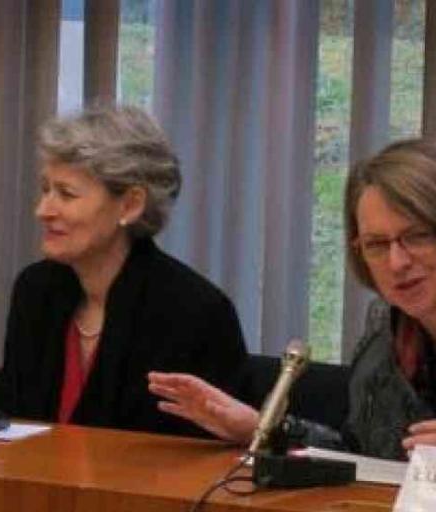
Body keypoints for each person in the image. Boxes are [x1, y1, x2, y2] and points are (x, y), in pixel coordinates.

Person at [149, 138, 436, 460]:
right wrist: (261, 428)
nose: (397, 262)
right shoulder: (386, 328)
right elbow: (362, 456)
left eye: (418, 236)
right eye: (377, 245)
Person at [0, 105, 247, 435]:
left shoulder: (193, 312)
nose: (43, 210)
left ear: (130, 205)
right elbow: (4, 412)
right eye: (45, 189)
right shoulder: (36, 289)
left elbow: (210, 452)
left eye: (66, 194)